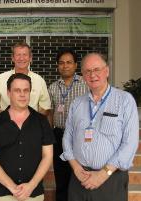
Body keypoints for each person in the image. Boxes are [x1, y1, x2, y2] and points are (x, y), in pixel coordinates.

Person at [60, 53, 139, 201]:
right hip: (79, 178)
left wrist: (103, 174)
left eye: (97, 69)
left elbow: (130, 143)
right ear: (83, 75)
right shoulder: (77, 103)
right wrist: (76, 168)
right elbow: (67, 137)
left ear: (107, 71)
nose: (92, 75)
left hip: (111, 179)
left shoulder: (125, 100)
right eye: (87, 71)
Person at [0, 73, 55, 201]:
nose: (22, 94)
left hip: (33, 194)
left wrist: (31, 186)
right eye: (17, 90)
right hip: (0, 194)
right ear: (9, 93)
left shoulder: (42, 122)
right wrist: (13, 187)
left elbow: (48, 156)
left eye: (26, 90)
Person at [48, 48, 88, 201]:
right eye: (62, 63)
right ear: (58, 66)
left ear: (76, 65)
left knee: (79, 173)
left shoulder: (86, 85)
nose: (65, 66)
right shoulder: (52, 87)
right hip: (59, 134)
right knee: (61, 174)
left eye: (69, 62)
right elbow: (50, 113)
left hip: (80, 135)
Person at [0, 42, 51, 116]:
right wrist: (6, 120)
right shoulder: (0, 79)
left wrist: (33, 121)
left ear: (30, 58)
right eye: (18, 55)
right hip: (6, 125)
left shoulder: (39, 81)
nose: (21, 58)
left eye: (25, 55)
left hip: (32, 126)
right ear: (13, 58)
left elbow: (45, 107)